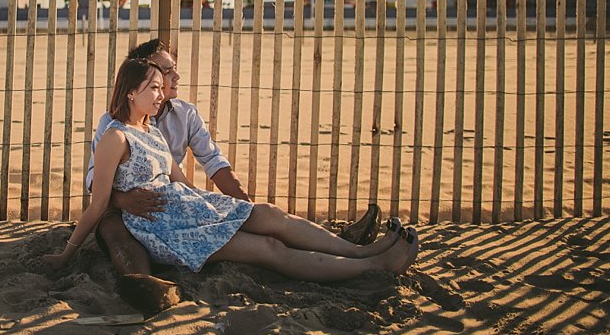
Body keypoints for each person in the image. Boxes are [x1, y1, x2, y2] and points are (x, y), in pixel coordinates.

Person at [44, 58, 419, 283]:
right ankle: (373, 266)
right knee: (268, 248)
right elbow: (97, 204)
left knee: (271, 214)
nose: (161, 94)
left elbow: (182, 183)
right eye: (153, 88)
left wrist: (215, 207)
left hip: (188, 209)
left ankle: (358, 250)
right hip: (165, 228)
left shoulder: (151, 129)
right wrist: (66, 255)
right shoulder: (115, 136)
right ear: (129, 92)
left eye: (161, 87)